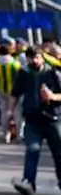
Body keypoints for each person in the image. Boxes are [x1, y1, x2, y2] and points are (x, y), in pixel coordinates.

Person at [12, 48, 61, 194]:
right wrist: (9, 113)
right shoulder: (24, 74)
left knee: (59, 153)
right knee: (32, 150)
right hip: (33, 120)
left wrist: (53, 97)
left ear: (42, 58)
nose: (34, 61)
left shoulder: (54, 73)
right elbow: (14, 94)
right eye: (30, 58)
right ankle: (28, 183)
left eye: (37, 57)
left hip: (53, 119)